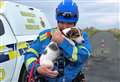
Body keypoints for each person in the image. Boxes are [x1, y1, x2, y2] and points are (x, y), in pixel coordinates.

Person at [24, 0, 91, 82]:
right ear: (57, 20)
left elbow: (83, 56)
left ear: (75, 23)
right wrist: (37, 68)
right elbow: (30, 53)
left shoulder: (80, 36)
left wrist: (62, 42)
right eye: (61, 22)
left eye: (69, 23)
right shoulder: (45, 35)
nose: (65, 26)